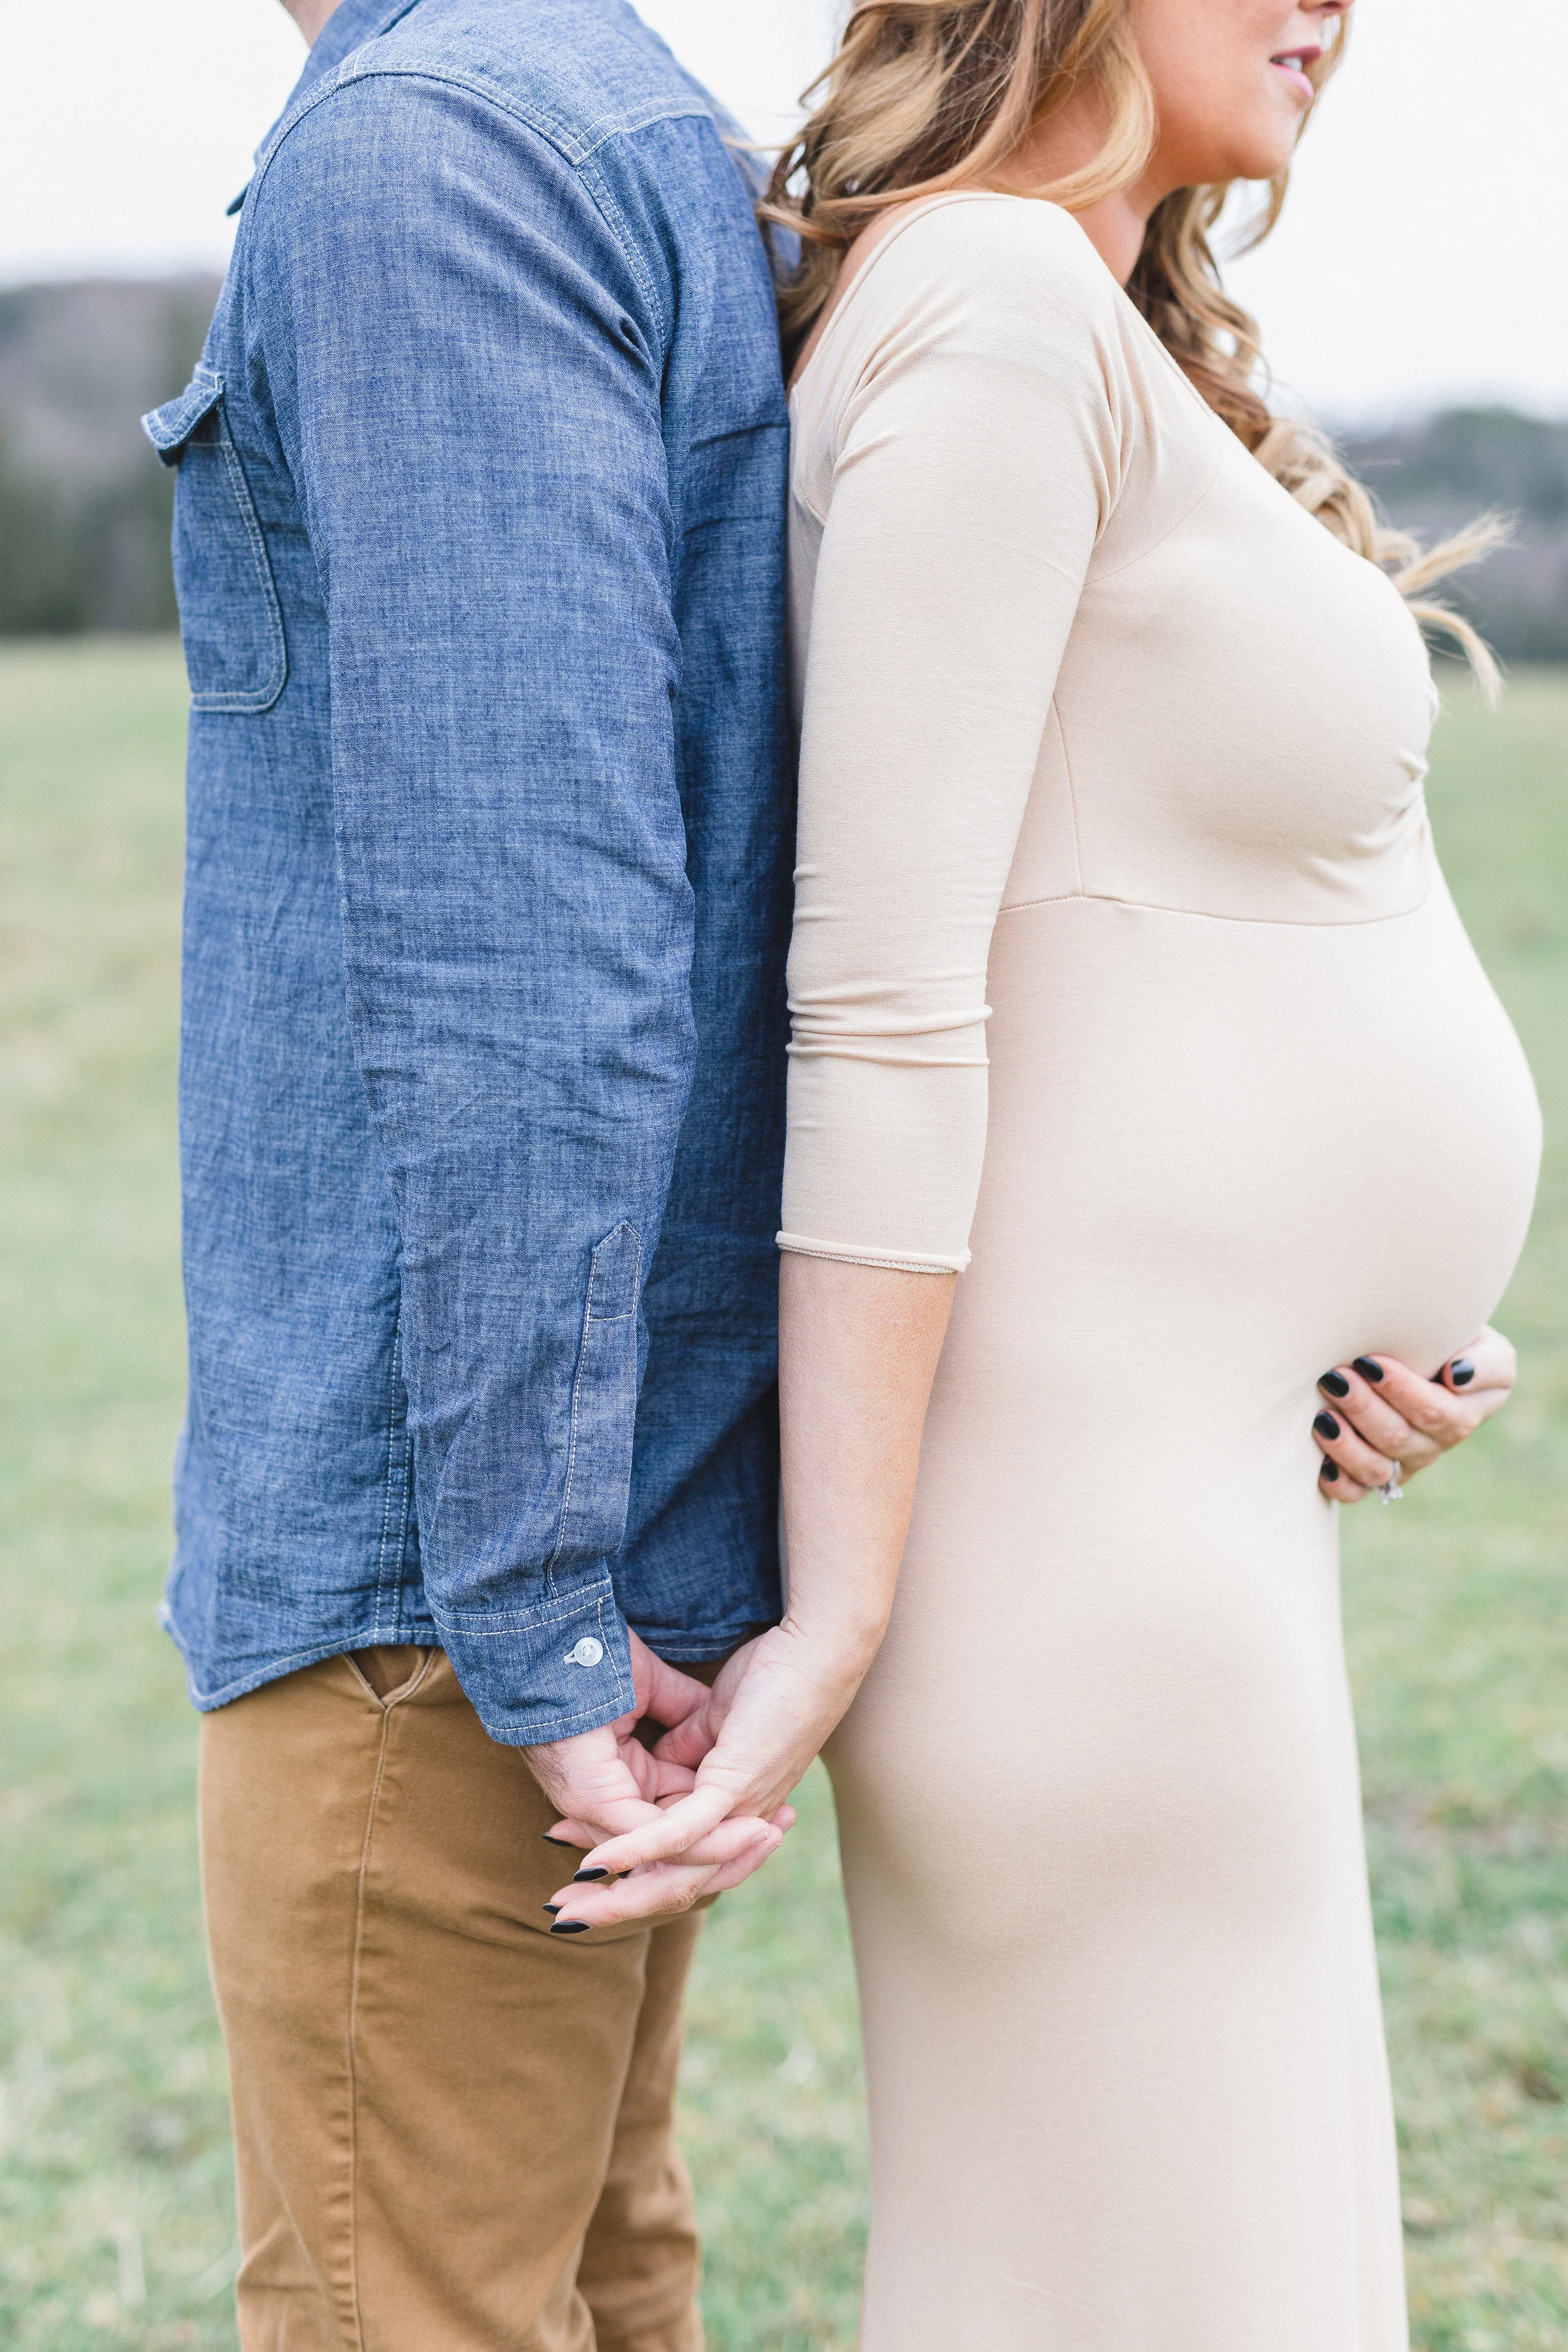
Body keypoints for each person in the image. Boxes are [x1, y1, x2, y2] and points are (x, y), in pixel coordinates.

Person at [547, 3, 1543, 2345]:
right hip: (1063, 1550)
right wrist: (849, 1606)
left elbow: (1165, 969)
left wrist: (1401, 1331)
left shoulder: (1069, 316)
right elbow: (879, 1002)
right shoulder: (991, 308)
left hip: (1178, 1505)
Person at [141, 0, 798, 2342]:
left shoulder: (427, 149)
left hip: (457, 1596)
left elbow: (537, 919)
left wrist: (520, 1596)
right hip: (595, 1562)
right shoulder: (618, 109)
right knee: (592, 2281)